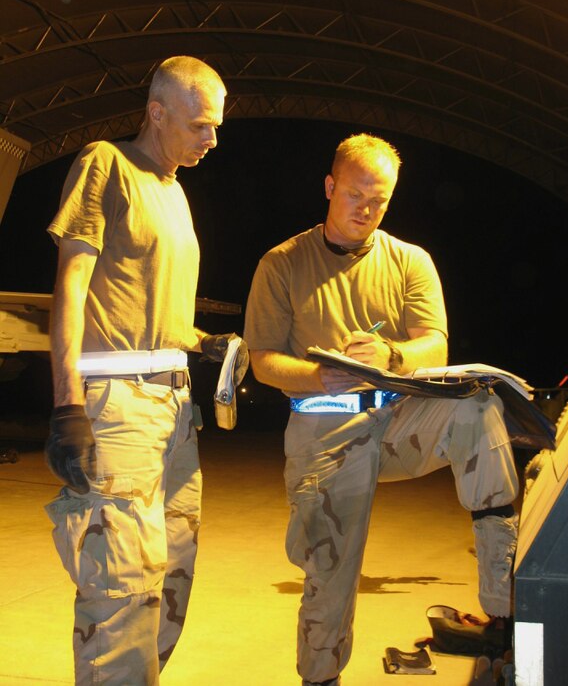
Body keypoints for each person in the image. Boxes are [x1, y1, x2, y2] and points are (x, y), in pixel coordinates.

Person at [244, 134, 518, 686]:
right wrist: (320, 373)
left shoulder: (410, 260)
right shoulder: (282, 263)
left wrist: (391, 355)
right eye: (355, 195)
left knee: (480, 409)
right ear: (329, 187)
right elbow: (263, 361)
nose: (366, 209)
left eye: (380, 200)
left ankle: (503, 609)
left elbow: (434, 345)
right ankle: (320, 677)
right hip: (323, 425)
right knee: (331, 574)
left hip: (399, 420)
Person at [44, 55, 248, 685]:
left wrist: (204, 342)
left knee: (169, 585)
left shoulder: (176, 192)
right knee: (121, 590)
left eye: (216, 127)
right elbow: (72, 287)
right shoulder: (105, 163)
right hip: (117, 404)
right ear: (157, 113)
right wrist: (66, 406)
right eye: (199, 126)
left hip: (176, 410)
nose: (212, 139)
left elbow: (157, 312)